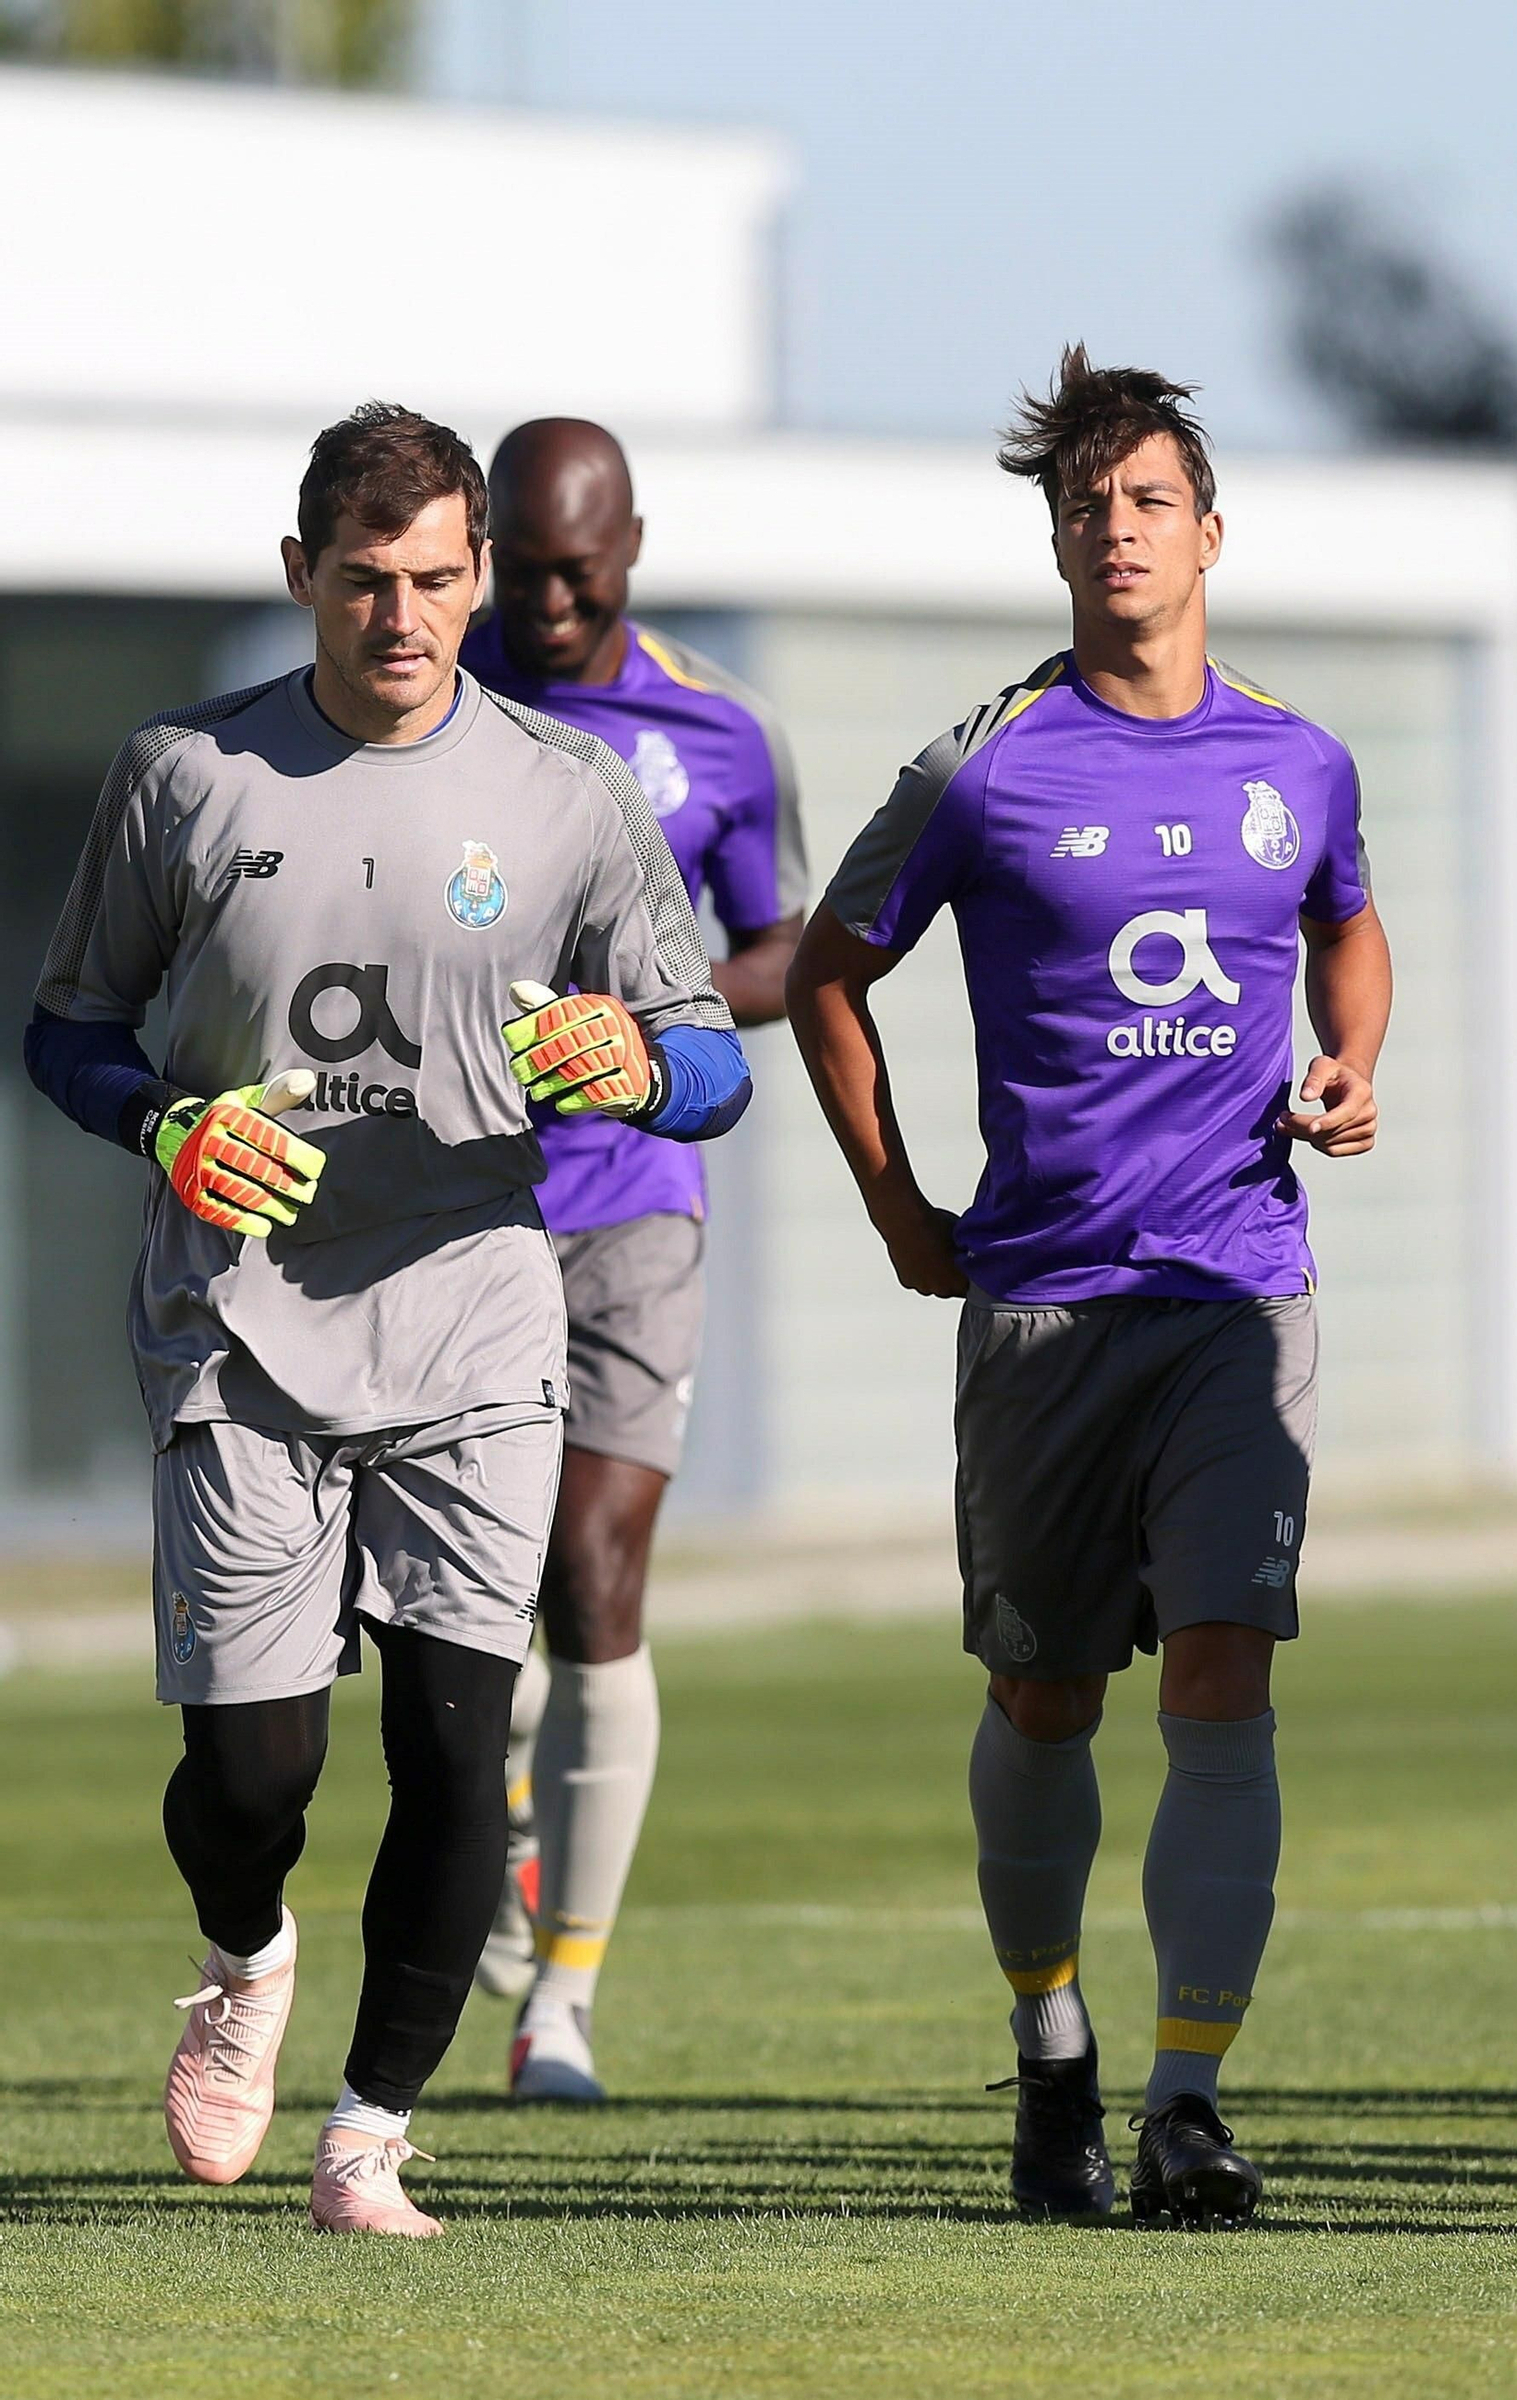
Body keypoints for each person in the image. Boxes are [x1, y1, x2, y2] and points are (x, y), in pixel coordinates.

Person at [24, 403, 750, 2236]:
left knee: (452, 1737)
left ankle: (368, 2136)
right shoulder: (187, 773)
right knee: (253, 1770)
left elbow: (716, 1061)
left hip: (475, 1322)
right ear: (302, 580)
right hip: (243, 1327)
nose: (405, 617)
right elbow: (68, 1031)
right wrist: (166, 1122)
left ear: (479, 574)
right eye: (367, 584)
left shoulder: (564, 793)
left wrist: (639, 1066)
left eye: (439, 579)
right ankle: (245, 1951)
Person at [786, 347, 1391, 2228]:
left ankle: (1189, 2101)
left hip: (1236, 1288)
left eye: (1147, 503)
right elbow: (827, 966)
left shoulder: (1301, 761)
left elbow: (1347, 921)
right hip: (1041, 1300)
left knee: (1225, 1679)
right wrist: (898, 1205)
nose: (1116, 532)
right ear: (1055, 541)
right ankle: (1052, 2046)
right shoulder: (984, 763)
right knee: (1044, 1702)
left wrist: (1353, 1058)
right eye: (1086, 507)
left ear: (1211, 531)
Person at [460, 419, 805, 2101]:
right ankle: (509, 1870)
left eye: (574, 569)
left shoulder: (719, 733)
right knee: (456, 1612)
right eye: (516, 567)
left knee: (593, 1574)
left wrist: (653, 1022)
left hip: (635, 1200)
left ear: (633, 548)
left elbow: (787, 943)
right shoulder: (420, 703)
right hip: (444, 1208)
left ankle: (560, 2008)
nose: (543, 598)